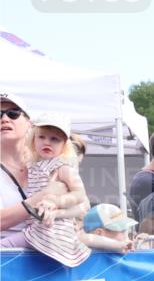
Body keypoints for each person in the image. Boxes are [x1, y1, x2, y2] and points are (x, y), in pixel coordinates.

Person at [3, 112, 92, 266]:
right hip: (37, 230)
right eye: (42, 137)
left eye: (54, 139)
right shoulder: (34, 165)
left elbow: (80, 196)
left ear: (64, 145)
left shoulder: (62, 167)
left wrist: (57, 202)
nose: (47, 142)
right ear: (33, 138)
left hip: (50, 231)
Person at [1, 92, 44, 243]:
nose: (5, 119)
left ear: (29, 124)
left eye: (13, 113)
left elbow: (80, 207)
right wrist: (40, 198)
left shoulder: (47, 163)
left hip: (48, 258)